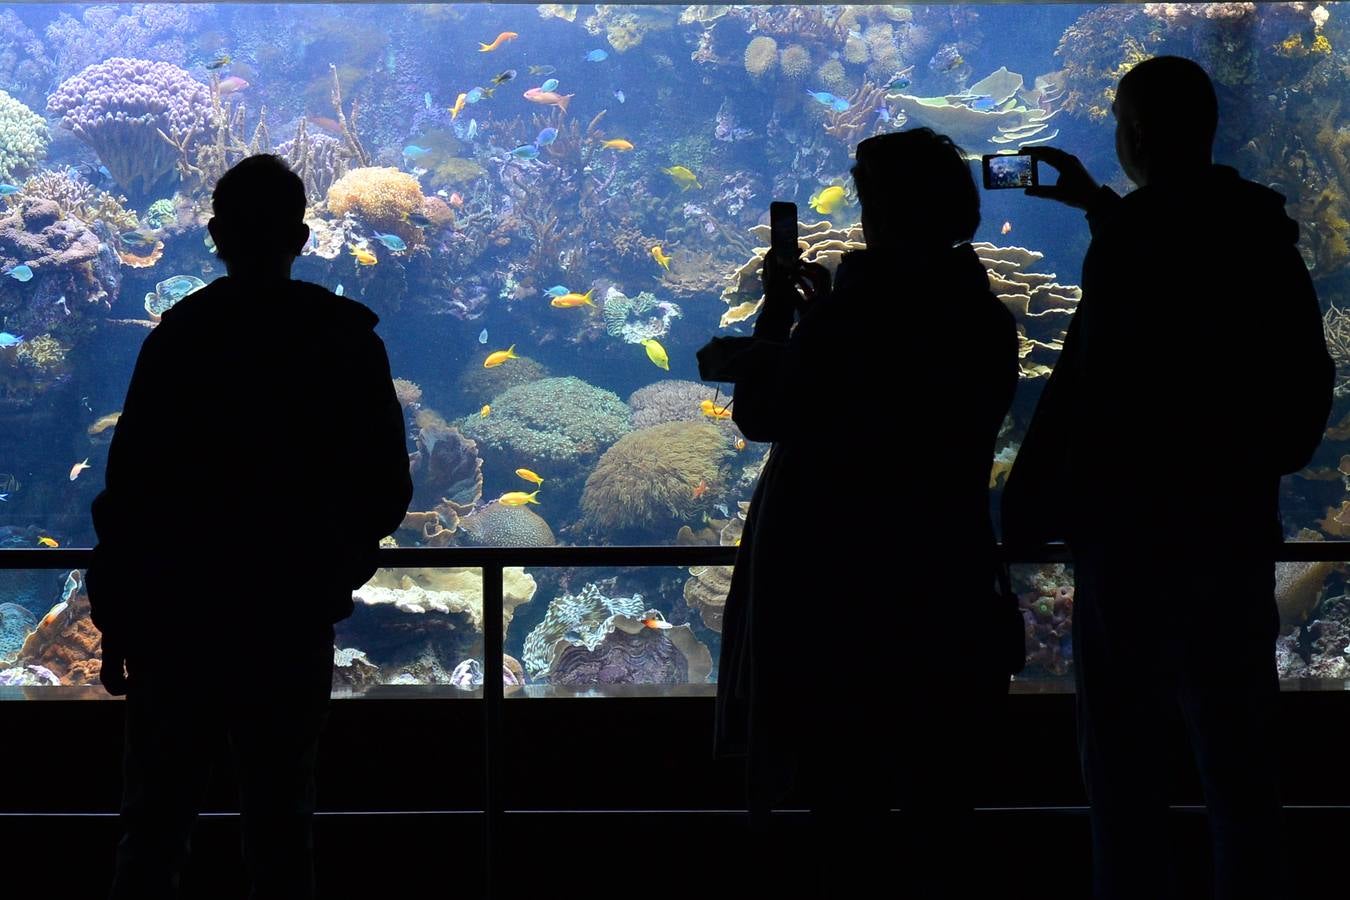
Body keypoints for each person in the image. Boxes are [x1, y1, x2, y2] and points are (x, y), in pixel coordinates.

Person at [1003, 56, 1333, 899]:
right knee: (1240, 765)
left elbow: (1086, 380)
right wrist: (1098, 206)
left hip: (1131, 542)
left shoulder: (1135, 247)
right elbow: (1298, 382)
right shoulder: (1260, 236)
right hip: (1228, 530)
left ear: (1135, 133)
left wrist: (1027, 501)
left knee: (1122, 766)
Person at [702, 128, 1019, 896]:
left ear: (882, 211)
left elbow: (761, 415)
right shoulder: (986, 318)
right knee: (943, 813)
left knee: (847, 814)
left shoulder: (848, 323)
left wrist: (781, 319)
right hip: (948, 584)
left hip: (839, 604)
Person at [88, 154, 413, 900]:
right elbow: (387, 487)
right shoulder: (344, 338)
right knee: (280, 827)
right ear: (302, 236)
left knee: (153, 829)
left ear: (215, 234)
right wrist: (329, 569)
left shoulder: (179, 337)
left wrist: (117, 613)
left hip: (175, 621)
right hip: (288, 620)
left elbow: (129, 491)